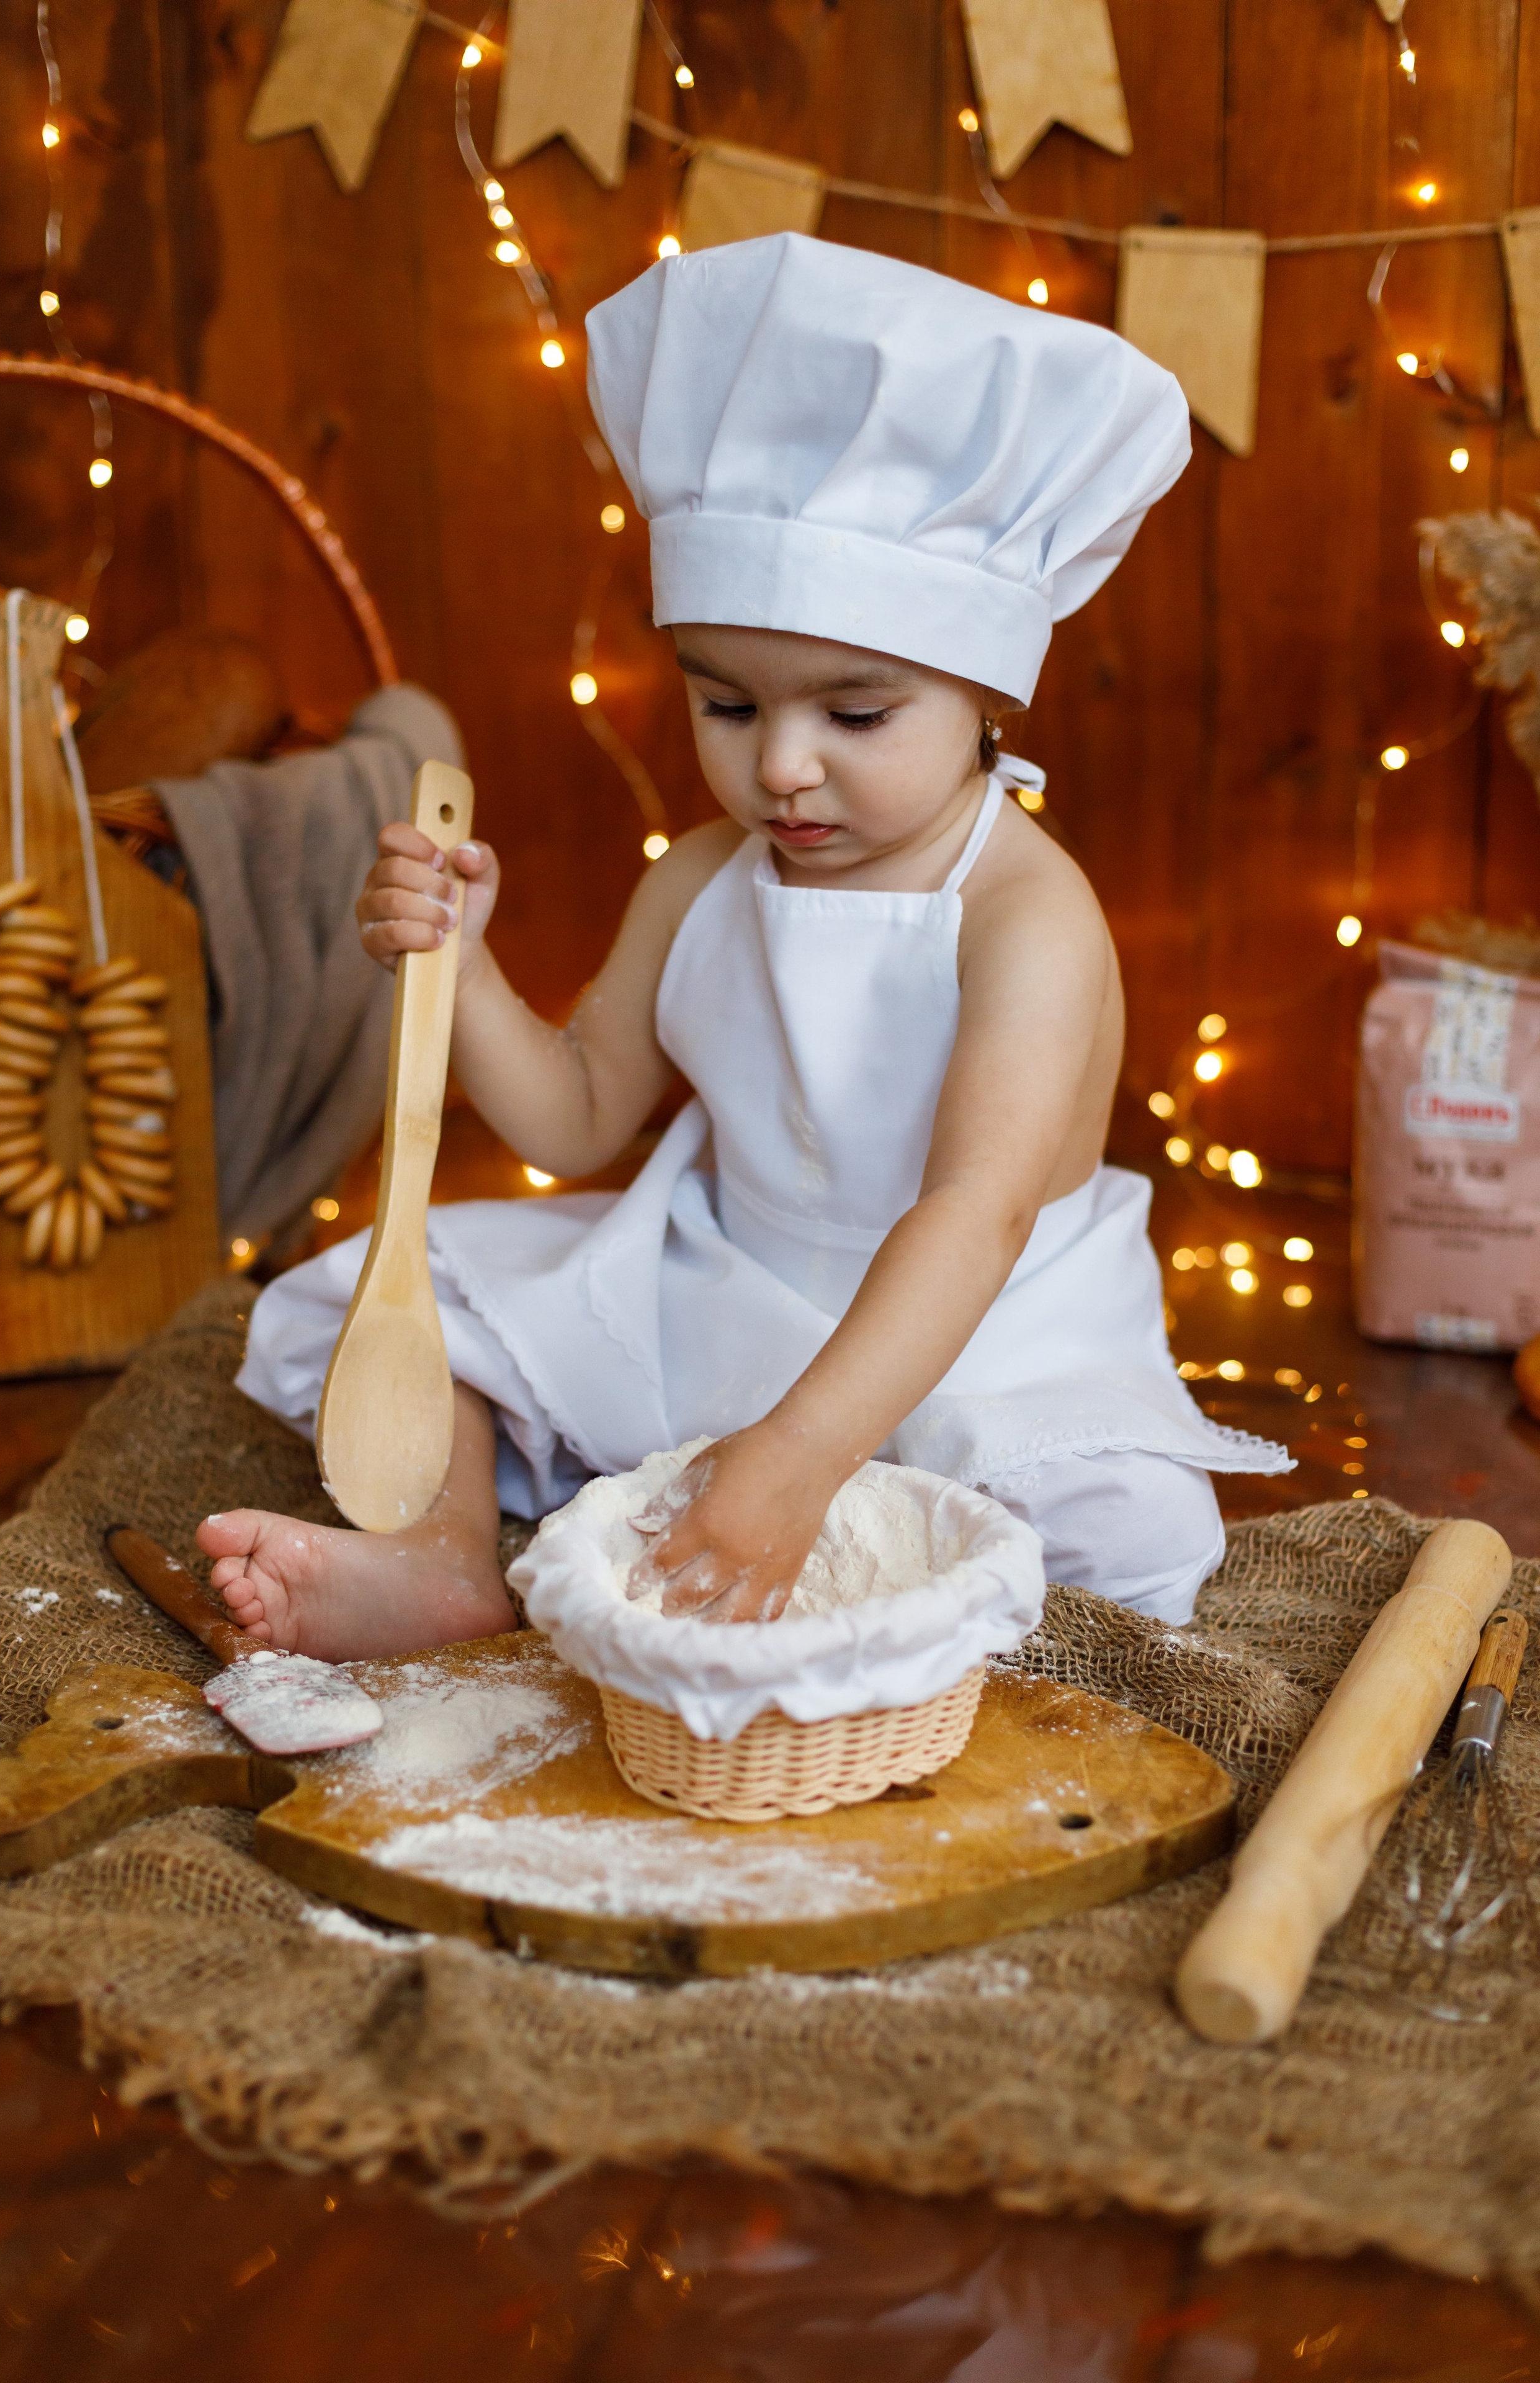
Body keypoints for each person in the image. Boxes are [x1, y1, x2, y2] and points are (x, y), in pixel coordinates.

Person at [204, 233, 1291, 1660]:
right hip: (729, 1275)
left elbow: (975, 1213)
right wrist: (457, 964)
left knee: (1120, 1520)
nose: (782, 768)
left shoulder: (1025, 915)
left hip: (975, 1316)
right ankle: (440, 1557)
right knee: (392, 1307)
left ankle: (870, 1547)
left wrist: (802, 1449)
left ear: (981, 694)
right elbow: (577, 1117)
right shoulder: (707, 877)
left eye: (852, 716)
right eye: (727, 706)